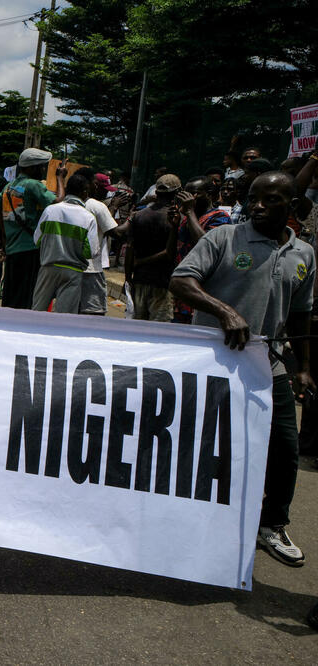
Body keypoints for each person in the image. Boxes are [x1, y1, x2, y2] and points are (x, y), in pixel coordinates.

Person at [170, 171, 314, 568]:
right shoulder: (224, 238)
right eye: (253, 198)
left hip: (270, 366)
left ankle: (272, 525)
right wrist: (225, 312)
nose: (258, 206)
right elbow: (181, 281)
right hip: (216, 364)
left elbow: (300, 314)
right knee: (203, 445)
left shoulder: (304, 254)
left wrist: (303, 368)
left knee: (285, 450)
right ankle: (187, 520)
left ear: (291, 206)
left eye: (269, 200)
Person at [0, 148, 66, 308]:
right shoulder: (33, 185)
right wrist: (60, 178)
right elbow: (58, 203)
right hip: (30, 249)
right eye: (42, 167)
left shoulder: (9, 187)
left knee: (12, 295)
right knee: (27, 297)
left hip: (12, 248)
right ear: (32, 168)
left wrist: (5, 233)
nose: (44, 171)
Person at [31, 174, 100, 313]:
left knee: (37, 312)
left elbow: (36, 239)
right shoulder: (88, 218)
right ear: (85, 192)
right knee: (64, 317)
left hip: (48, 268)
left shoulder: (50, 210)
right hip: (73, 272)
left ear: (67, 189)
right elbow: (91, 252)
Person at [172, 176, 232, 323]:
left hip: (203, 291)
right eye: (187, 193)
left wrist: (190, 212)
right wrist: (174, 225)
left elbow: (206, 246)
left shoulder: (220, 217)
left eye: (195, 193)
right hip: (183, 291)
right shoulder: (188, 219)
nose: (190, 198)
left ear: (209, 193)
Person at [125, 174, 181, 321]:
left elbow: (129, 249)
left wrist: (128, 277)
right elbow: (170, 253)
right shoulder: (177, 219)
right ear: (177, 193)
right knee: (158, 332)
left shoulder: (138, 216)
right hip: (162, 283)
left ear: (156, 193)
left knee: (138, 327)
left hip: (139, 279)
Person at [76, 168, 127, 316]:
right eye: (102, 188)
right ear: (92, 185)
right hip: (90, 268)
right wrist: (132, 219)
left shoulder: (66, 203)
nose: (105, 192)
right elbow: (115, 232)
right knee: (93, 312)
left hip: (69, 266)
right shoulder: (98, 206)